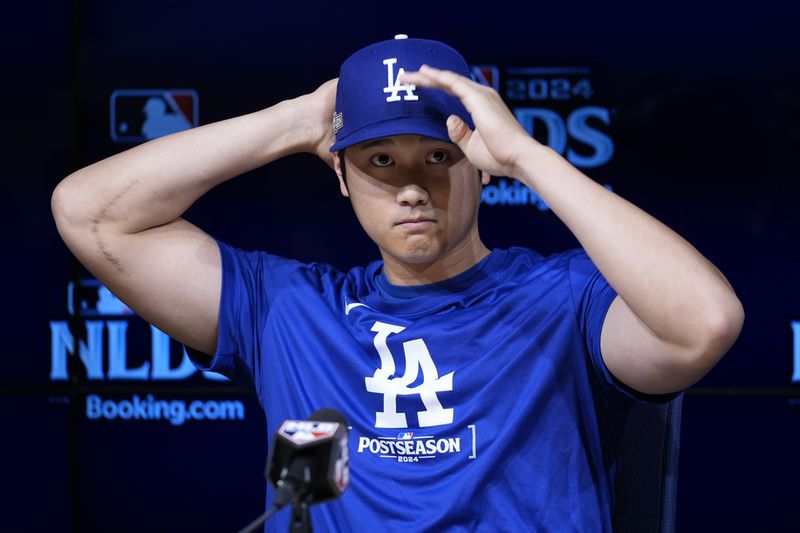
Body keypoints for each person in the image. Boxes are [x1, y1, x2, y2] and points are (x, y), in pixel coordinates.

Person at [51, 35, 744, 531]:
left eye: (439, 155)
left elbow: (704, 321)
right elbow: (93, 217)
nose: (412, 186)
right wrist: (295, 121)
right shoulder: (289, 310)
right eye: (380, 159)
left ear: (478, 163)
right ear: (342, 176)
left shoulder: (563, 298)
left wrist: (528, 156)